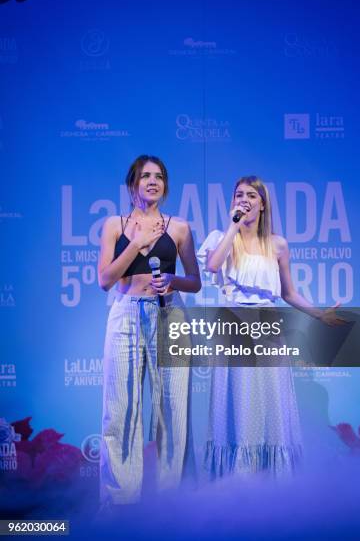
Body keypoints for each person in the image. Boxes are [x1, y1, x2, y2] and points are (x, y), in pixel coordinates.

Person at [197, 175, 342, 480]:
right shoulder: (221, 237)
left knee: (270, 401)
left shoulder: (277, 244)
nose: (244, 200)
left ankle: (272, 477)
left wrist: (319, 315)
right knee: (236, 400)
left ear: (263, 204)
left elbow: (288, 292)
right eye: (239, 195)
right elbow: (212, 266)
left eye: (251, 195)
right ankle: (235, 477)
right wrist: (233, 227)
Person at [98, 155, 201, 507]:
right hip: (125, 314)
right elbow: (106, 279)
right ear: (132, 185)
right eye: (145, 176)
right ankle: (120, 502)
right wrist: (138, 245)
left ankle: (171, 501)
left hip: (169, 316)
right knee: (121, 408)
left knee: (173, 409)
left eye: (159, 177)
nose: (153, 182)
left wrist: (172, 281)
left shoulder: (180, 227)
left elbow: (196, 281)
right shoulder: (115, 224)